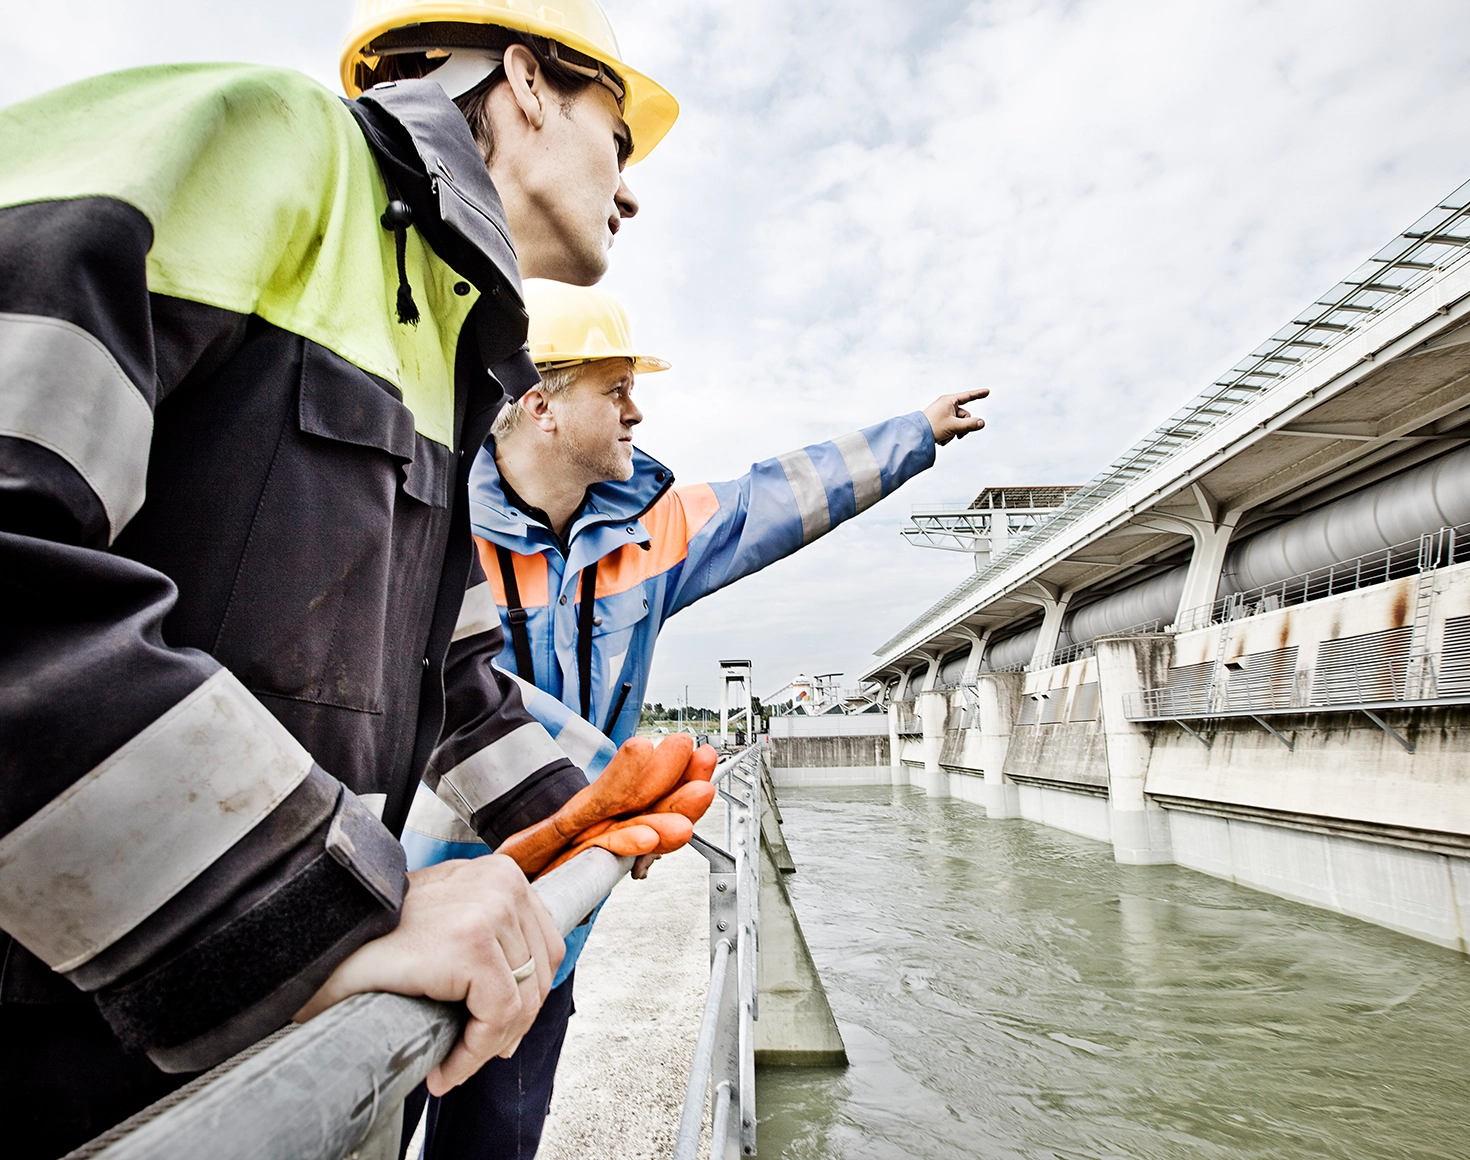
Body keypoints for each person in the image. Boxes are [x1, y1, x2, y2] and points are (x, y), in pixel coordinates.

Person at [0, 1, 678, 1155]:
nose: (631, 189)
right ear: (526, 81)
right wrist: (310, 918)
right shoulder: (263, 141)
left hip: (250, 1065)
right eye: (619, 137)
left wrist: (582, 819)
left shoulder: (441, 342)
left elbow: (450, 672)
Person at [399, 279, 988, 1158]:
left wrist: (915, 433)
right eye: (615, 388)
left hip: (553, 920)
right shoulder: (430, 523)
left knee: (496, 1142)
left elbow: (771, 498)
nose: (636, 411)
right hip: (416, 907)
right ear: (541, 406)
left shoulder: (653, 529)